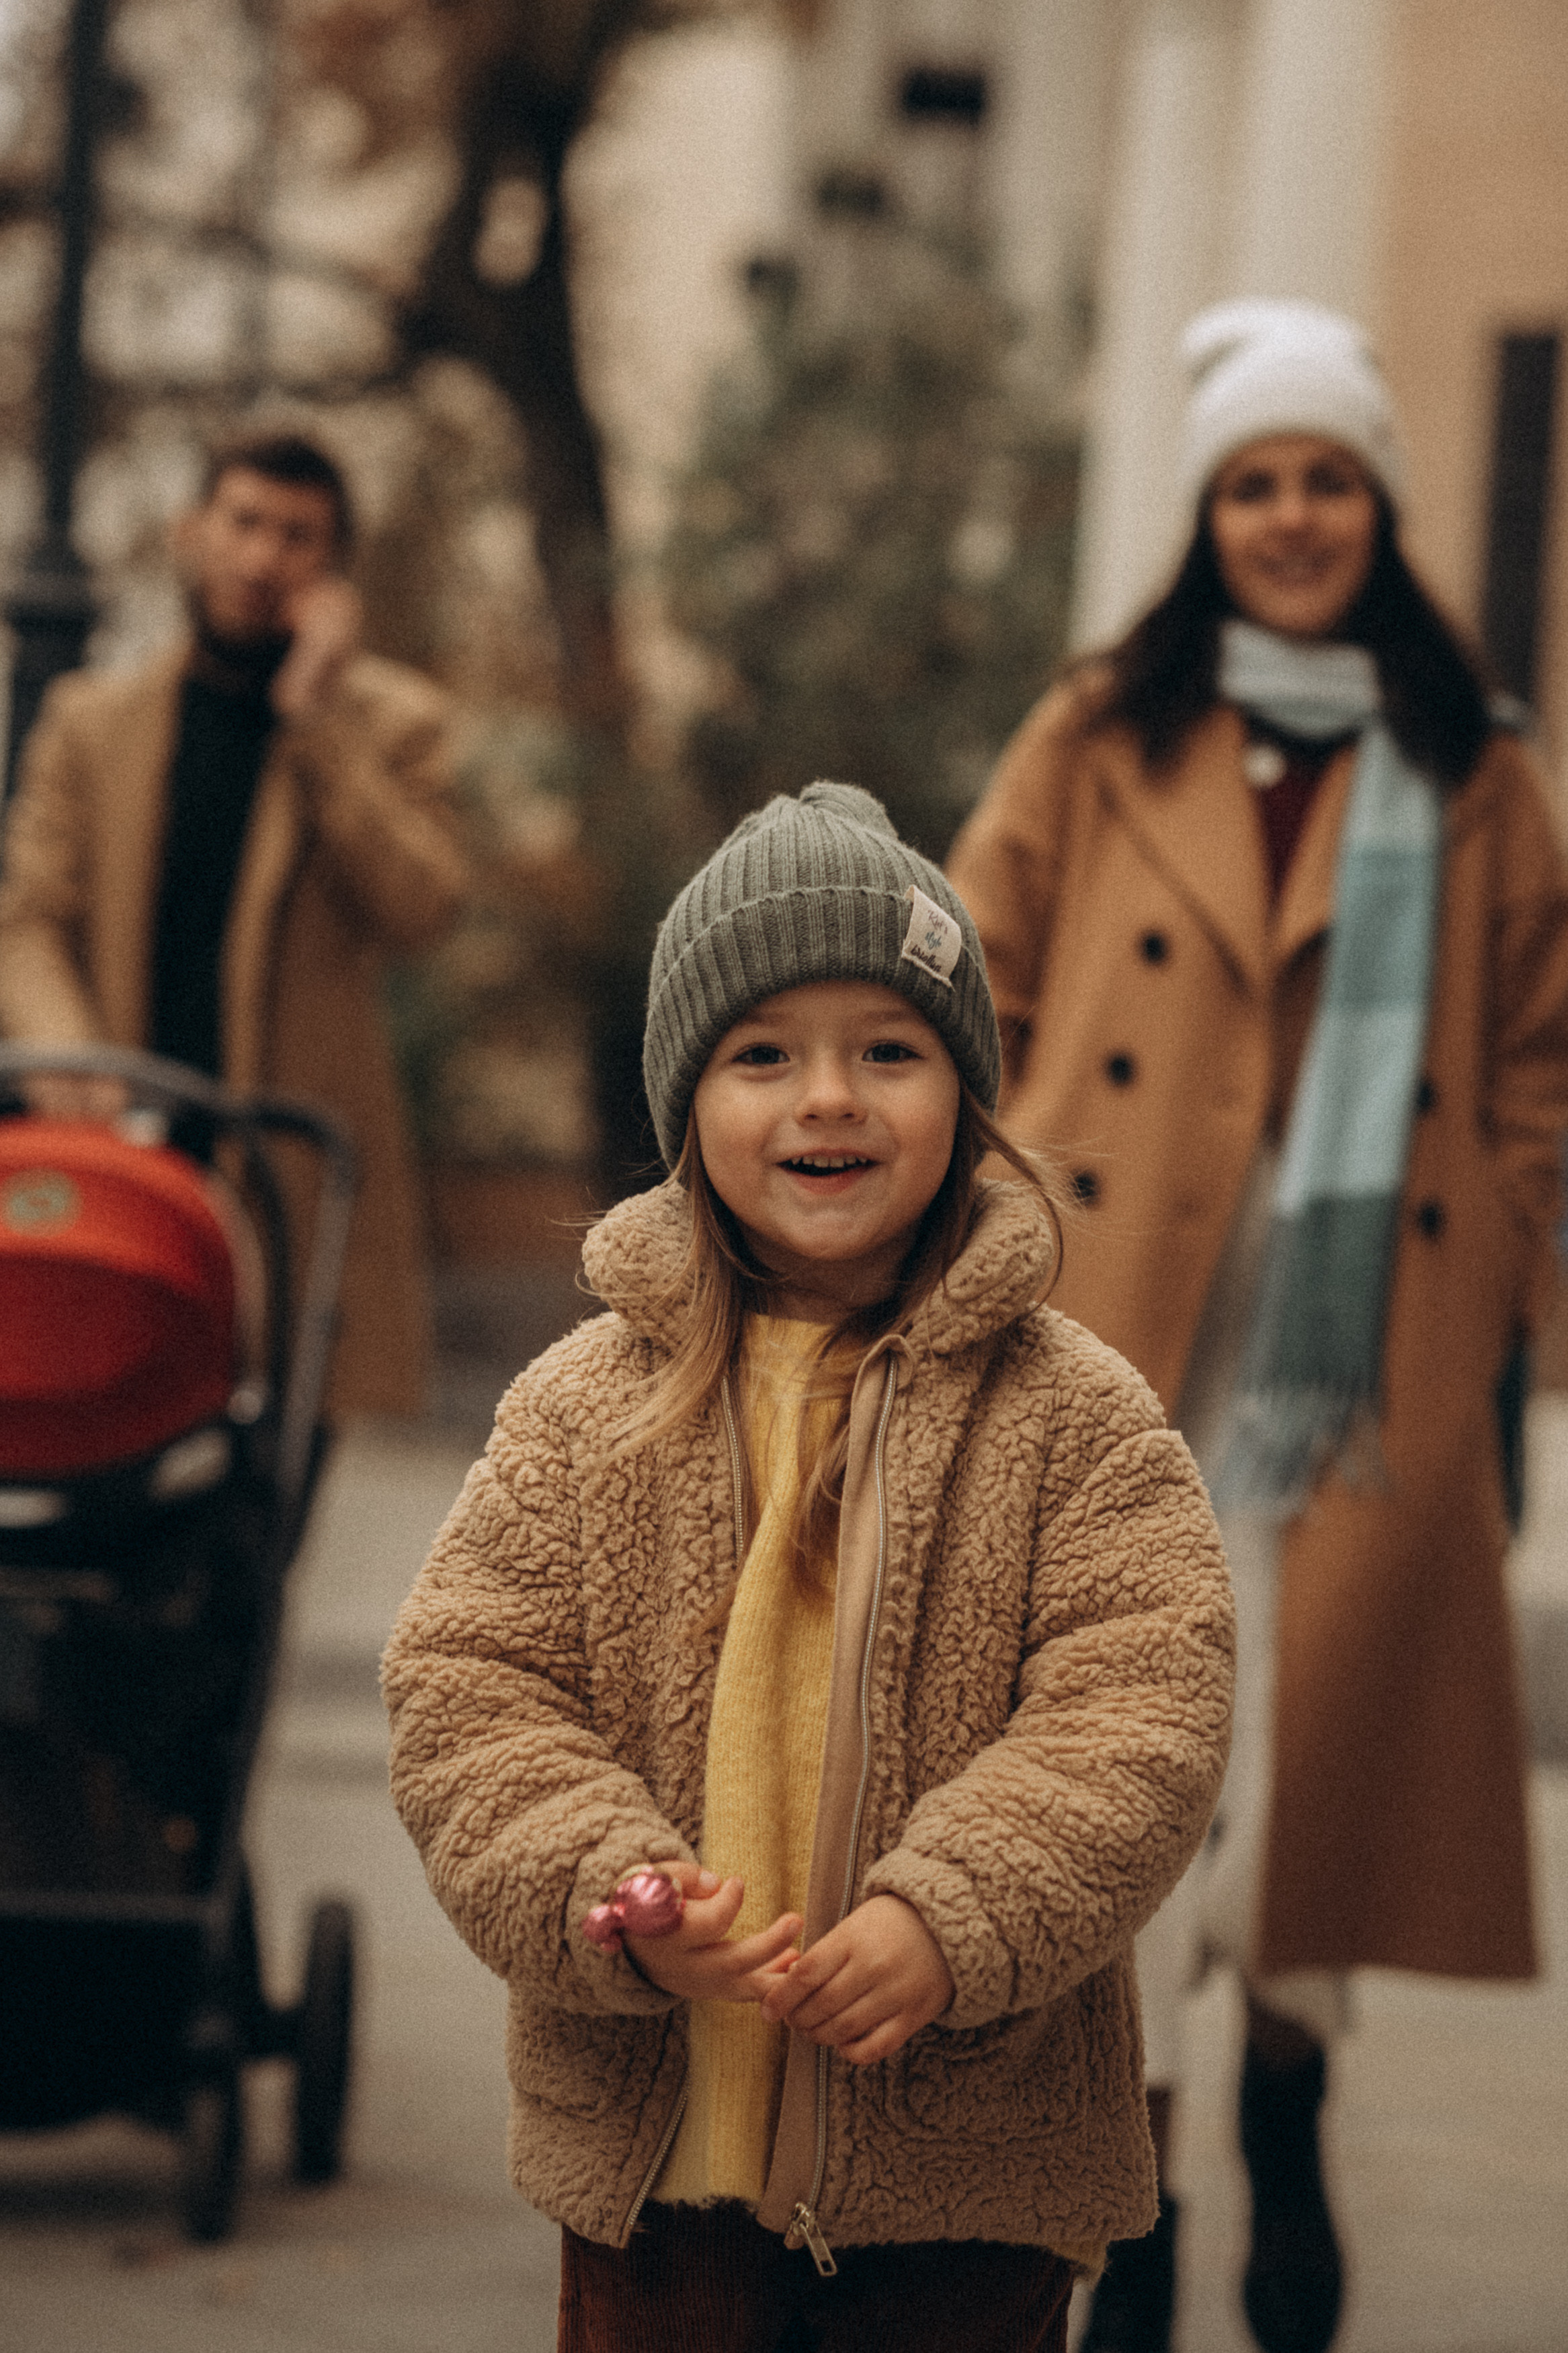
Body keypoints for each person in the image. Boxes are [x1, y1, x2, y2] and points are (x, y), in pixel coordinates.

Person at [382, 781, 1235, 2353]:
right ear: (686, 1104)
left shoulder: (1076, 1414)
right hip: (660, 2163)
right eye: (763, 1053)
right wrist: (612, 1892)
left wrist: (953, 1913)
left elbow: (1144, 1710)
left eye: (888, 1051)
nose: (827, 1098)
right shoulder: (586, 1406)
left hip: (966, 2160)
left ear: (966, 1099)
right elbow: (470, 1693)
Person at [947, 299, 1568, 2353]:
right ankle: (1127, 2182)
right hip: (1118, 1322)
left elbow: (1546, 1064)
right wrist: (1000, 1196)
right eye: (1250, 482)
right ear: (1203, 511)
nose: (1288, 515)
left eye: (1322, 479)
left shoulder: (1472, 765)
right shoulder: (1101, 726)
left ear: (1374, 506)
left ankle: (1284, 2105)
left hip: (1359, 1356)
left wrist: (1493, 1264)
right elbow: (977, 975)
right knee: (1122, 1742)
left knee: (1307, 1766)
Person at [0, 428, 468, 1417]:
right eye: (244, 522)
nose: (263, 557)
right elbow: (27, 916)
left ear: (332, 571)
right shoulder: (93, 723)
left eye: (297, 536)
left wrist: (315, 720)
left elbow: (425, 907)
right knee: (95, 1440)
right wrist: (66, 1052)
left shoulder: (393, 725)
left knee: (268, 1492)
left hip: (288, 1169)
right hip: (121, 1142)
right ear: (192, 533)